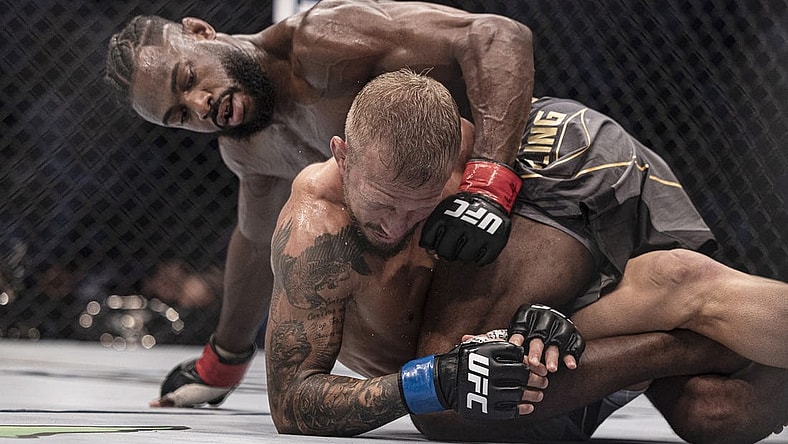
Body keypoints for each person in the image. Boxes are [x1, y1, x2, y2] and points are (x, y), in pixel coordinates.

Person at [266, 69, 787, 442]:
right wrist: (432, 378)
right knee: (716, 414)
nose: (397, 226)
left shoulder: (465, 166)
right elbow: (291, 403)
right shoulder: (316, 234)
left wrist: (489, 185)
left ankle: (673, 293)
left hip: (549, 167)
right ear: (341, 155)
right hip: (511, 295)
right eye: (382, 203)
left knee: (452, 407)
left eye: (422, 209)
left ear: (454, 171)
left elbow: (501, 36)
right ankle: (696, 334)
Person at [104, 0, 535, 407]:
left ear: (201, 32)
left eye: (188, 79)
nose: (200, 106)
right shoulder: (247, 147)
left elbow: (497, 34)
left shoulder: (324, 39)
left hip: (531, 176)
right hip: (463, 257)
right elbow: (255, 244)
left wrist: (489, 185)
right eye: (181, 115)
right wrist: (224, 360)